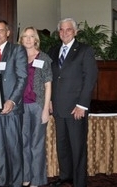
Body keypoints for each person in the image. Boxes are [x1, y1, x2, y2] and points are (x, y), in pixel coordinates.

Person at [48, 18, 98, 187]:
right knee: (62, 146)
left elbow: (90, 79)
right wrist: (49, 101)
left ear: (76, 31)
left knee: (77, 148)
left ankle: (79, 182)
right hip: (58, 108)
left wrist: (82, 105)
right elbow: (51, 79)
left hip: (76, 108)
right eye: (61, 30)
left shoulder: (85, 50)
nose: (65, 32)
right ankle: (65, 176)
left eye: (68, 29)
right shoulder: (53, 51)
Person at [0, 20, 28, 187]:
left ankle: (16, 183)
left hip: (12, 109)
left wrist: (11, 101)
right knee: (1, 148)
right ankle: (2, 180)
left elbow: (22, 78)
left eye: (1, 30)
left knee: (14, 148)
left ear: (8, 33)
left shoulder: (17, 50)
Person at [18, 26, 52, 187]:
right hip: (21, 106)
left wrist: (46, 109)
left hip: (38, 105)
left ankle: (37, 179)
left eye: (32, 36)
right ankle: (26, 176)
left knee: (37, 144)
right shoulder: (18, 57)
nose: (29, 39)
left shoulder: (44, 57)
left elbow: (48, 85)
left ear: (36, 39)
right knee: (23, 143)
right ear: (21, 39)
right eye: (26, 36)